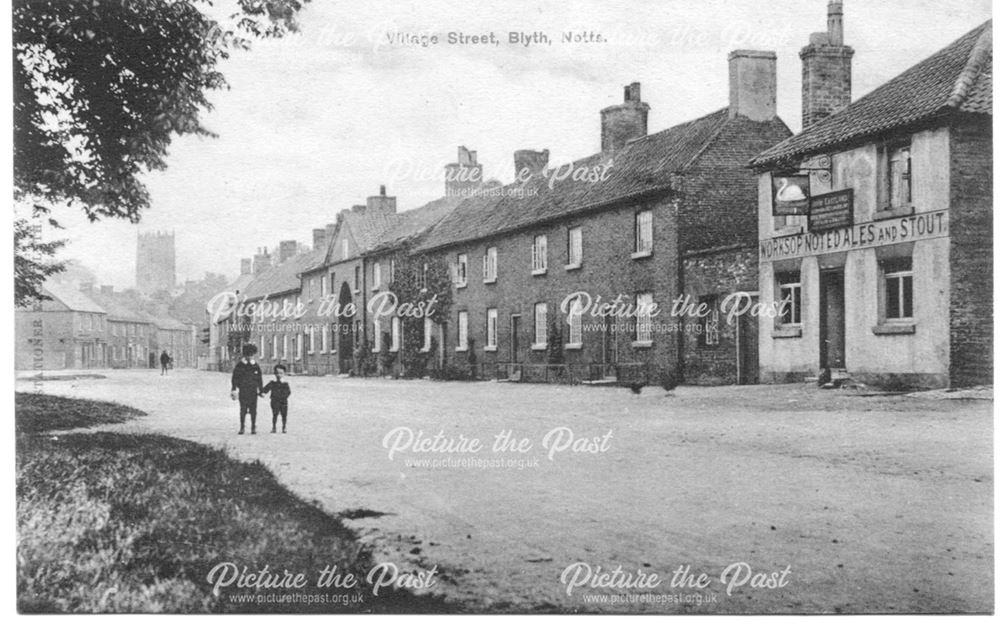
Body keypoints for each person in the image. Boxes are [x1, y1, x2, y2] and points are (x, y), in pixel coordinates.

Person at [230, 343, 263, 434]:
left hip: (253, 391)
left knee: (253, 409)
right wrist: (234, 388)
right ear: (245, 355)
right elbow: (235, 378)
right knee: (243, 409)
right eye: (248, 355)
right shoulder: (240, 365)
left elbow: (259, 379)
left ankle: (253, 427)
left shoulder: (255, 366)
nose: (249, 357)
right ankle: (242, 427)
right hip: (243, 391)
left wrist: (261, 390)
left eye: (251, 355)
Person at [261, 365, 292, 434]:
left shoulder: (285, 383)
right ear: (274, 374)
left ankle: (284, 427)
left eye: (281, 373)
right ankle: (274, 427)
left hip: (283, 401)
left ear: (284, 374)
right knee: (275, 414)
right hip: (274, 401)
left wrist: (284, 397)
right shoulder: (272, 382)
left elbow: (288, 392)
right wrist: (262, 393)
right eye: (277, 373)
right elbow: (266, 389)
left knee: (284, 415)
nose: (279, 375)